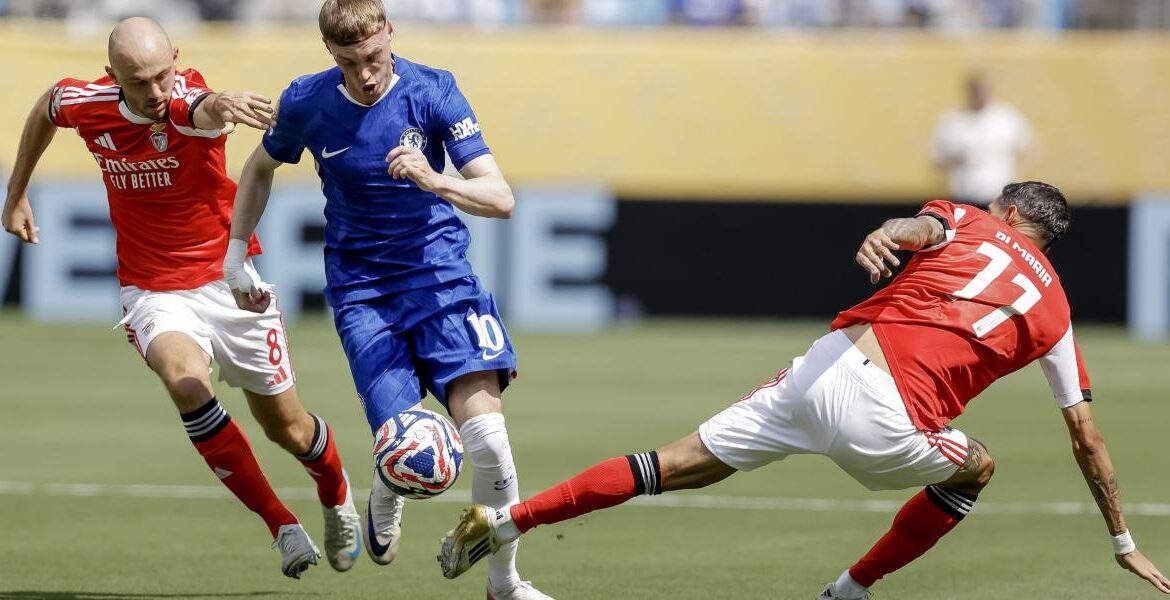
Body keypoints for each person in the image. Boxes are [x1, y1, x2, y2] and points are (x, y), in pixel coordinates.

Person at [437, 181, 1170, 599]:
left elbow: (916, 227)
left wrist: (887, 233)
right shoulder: (1058, 315)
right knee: (977, 467)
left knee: (676, 462)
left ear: (1009, 213)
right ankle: (848, 591)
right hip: (891, 422)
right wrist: (1122, 540)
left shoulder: (966, 218)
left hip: (825, 366)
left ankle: (508, 521)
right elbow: (1087, 438)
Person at [1, 17, 360, 579]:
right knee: (185, 381)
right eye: (138, 82)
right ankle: (281, 525)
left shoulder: (184, 100)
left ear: (176, 56)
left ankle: (335, 489)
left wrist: (222, 102)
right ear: (112, 75)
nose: (154, 91)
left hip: (228, 283)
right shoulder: (87, 102)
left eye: (162, 75)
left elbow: (202, 108)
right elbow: (47, 107)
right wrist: (16, 190)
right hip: (152, 290)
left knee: (287, 428)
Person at [221, 1, 551, 598]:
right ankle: (388, 482)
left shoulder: (433, 91)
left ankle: (503, 585)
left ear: (390, 34)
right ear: (330, 53)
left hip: (443, 283)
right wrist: (236, 254)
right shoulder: (306, 101)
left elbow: (500, 197)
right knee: (404, 444)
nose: (366, 74)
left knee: (489, 441)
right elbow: (259, 167)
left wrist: (434, 178)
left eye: (374, 57)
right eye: (350, 63)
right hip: (363, 296)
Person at [931, 71, 1035, 205]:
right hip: (964, 196)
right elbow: (937, 160)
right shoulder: (952, 121)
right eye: (977, 90)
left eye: (986, 89)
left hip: (999, 196)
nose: (982, 94)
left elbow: (1029, 147)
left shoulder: (1007, 118)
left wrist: (1018, 182)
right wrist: (954, 160)